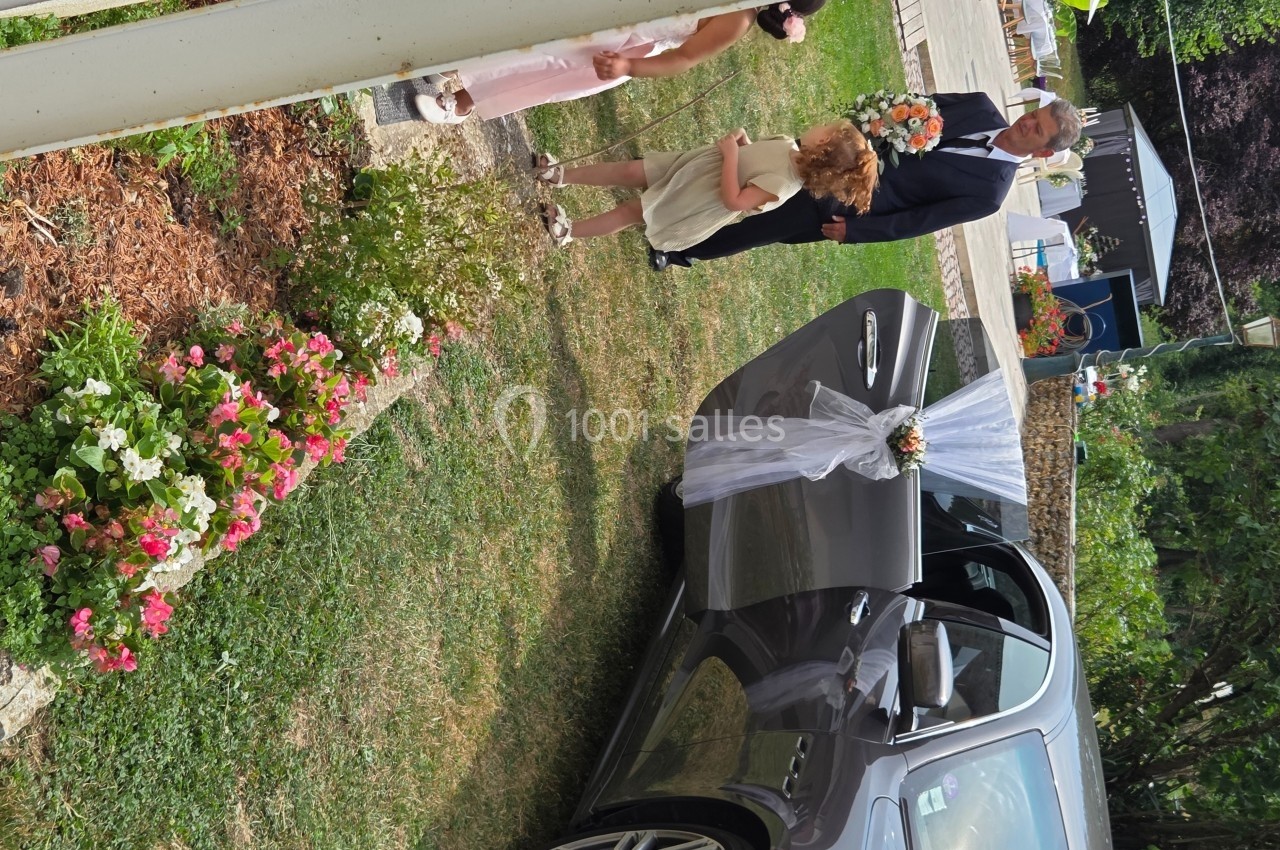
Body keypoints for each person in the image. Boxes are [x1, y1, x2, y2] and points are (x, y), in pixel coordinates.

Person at [647, 93, 1083, 270]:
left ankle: (680, 249)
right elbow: (913, 107)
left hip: (851, 202)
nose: (1026, 123)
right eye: (1032, 115)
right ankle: (671, 189)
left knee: (762, 228)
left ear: (1044, 152)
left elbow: (921, 220)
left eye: (1037, 130)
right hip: (840, 154)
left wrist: (857, 231)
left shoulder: (990, 193)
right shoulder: (981, 107)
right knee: (754, 173)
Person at [412, 1, 824, 124]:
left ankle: (462, 100)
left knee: (542, 66)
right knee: (525, 26)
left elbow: (684, 58)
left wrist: (628, 68)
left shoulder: (736, 19)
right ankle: (454, 64)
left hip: (625, 44)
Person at [533, 120, 879, 252]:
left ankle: (569, 231)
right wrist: (742, 143)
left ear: (822, 151)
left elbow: (734, 200)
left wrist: (731, 156)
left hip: (700, 195)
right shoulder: (789, 145)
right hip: (695, 168)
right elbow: (752, 160)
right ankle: (562, 175)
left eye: (825, 130)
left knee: (632, 211)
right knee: (630, 171)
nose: (818, 124)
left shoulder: (783, 184)